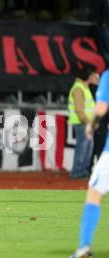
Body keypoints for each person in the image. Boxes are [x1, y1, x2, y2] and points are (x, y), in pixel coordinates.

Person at [68, 68, 109, 258]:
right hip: (80, 122)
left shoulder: (108, 76)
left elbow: (100, 108)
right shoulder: (79, 87)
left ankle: (85, 246)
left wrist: (91, 126)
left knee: (94, 193)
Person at [68, 67, 100, 179]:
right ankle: (77, 172)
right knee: (83, 148)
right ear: (87, 76)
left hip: (85, 124)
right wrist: (88, 124)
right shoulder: (79, 89)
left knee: (87, 148)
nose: (94, 77)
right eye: (92, 75)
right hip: (82, 124)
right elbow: (79, 110)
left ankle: (82, 171)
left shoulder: (83, 87)